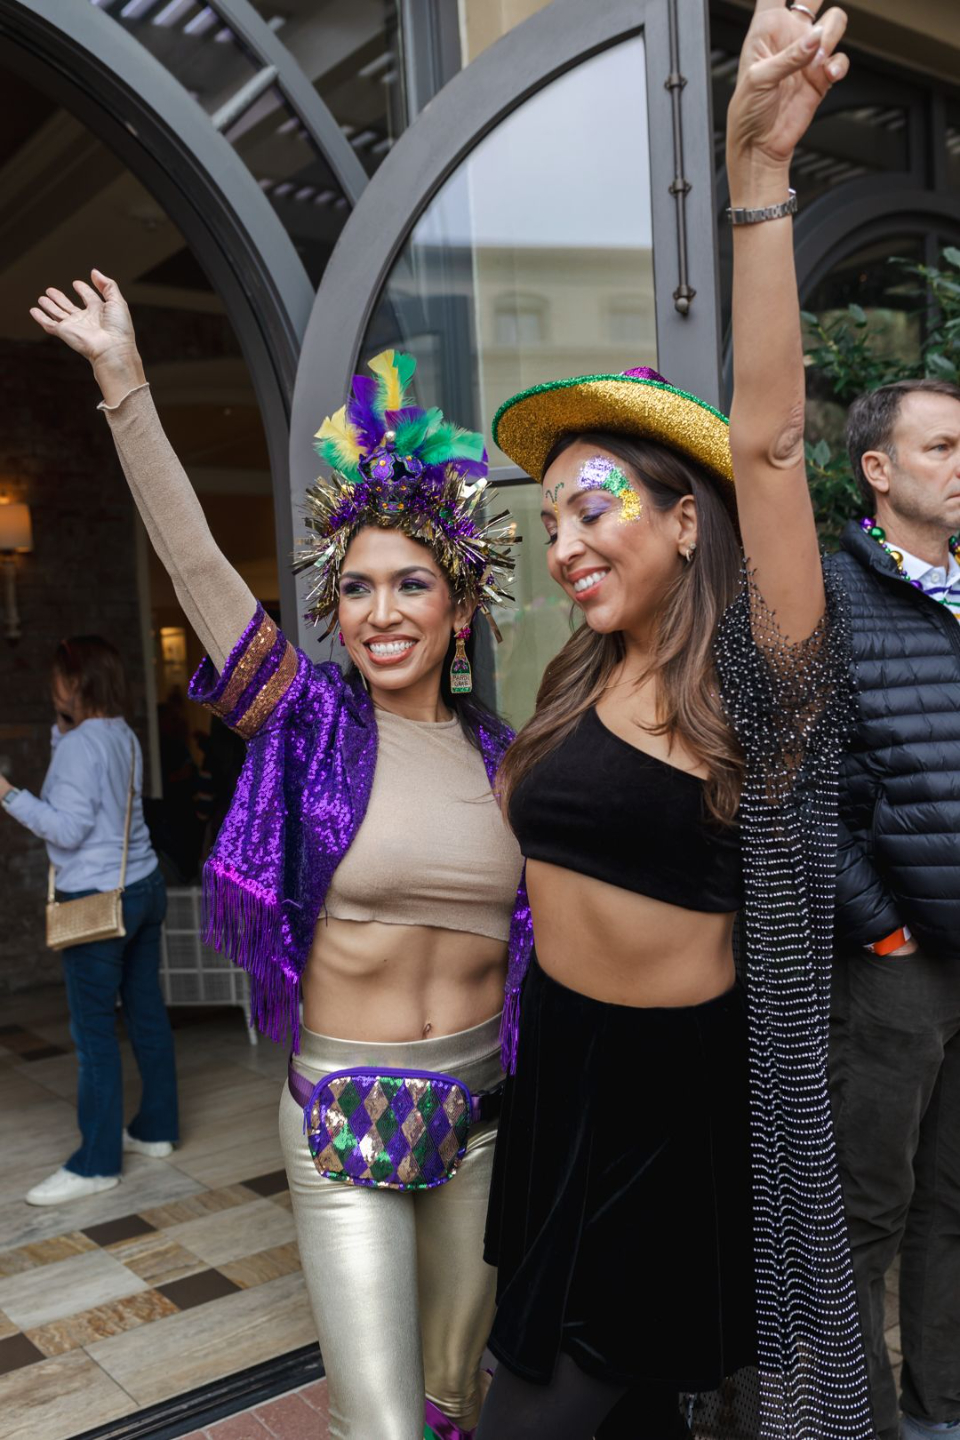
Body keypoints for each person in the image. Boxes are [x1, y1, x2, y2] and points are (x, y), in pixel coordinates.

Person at [30, 280, 525, 1440]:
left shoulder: (516, 759)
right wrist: (123, 384)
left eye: (411, 584)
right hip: (341, 1116)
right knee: (383, 1426)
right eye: (355, 587)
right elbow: (197, 562)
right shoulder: (307, 724)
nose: (380, 612)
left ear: (461, 609)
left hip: (484, 1116)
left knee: (456, 1401)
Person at [475, 4, 873, 1438]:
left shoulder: (759, 690)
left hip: (670, 1114)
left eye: (594, 508)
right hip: (560, 1075)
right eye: (551, 521)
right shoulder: (573, 683)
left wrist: (755, 175)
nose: (566, 544)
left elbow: (769, 441)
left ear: (684, 519)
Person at [826, 376, 960, 1440]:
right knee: (866, 1213)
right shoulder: (830, 593)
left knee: (952, 1207)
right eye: (942, 447)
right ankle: (860, 1426)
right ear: (878, 469)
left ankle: (939, 1413)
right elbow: (797, 786)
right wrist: (882, 926)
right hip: (895, 970)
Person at [0, 636, 177, 1205]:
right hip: (143, 886)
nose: (52, 686)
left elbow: (68, 829)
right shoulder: (120, 732)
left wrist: (7, 794)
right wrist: (63, 727)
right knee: (145, 1014)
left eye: (59, 678)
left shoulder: (81, 747)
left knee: (93, 1033)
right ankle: (156, 1129)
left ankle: (96, 1165)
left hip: (98, 900)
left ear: (75, 683)